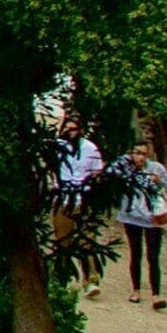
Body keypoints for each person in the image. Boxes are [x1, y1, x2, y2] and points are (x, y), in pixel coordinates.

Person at [113, 140, 167, 310]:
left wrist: (159, 181)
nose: (139, 157)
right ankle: (136, 291)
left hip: (152, 218)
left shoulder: (156, 168)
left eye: (143, 153)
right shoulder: (125, 168)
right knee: (136, 253)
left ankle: (156, 294)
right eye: (136, 152)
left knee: (153, 256)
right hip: (131, 216)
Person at [52, 118, 109, 293]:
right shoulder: (57, 147)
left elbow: (97, 173)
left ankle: (91, 279)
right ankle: (61, 279)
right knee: (63, 240)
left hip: (83, 199)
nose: (70, 132)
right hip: (62, 199)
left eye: (74, 129)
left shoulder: (90, 149)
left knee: (86, 240)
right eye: (67, 128)